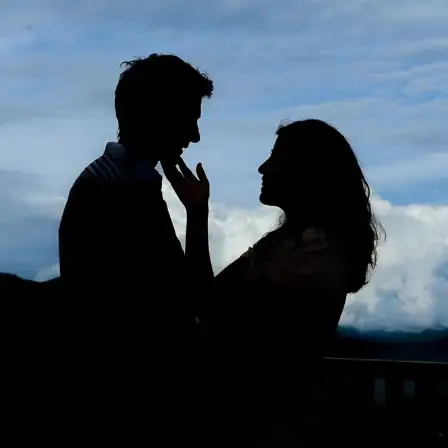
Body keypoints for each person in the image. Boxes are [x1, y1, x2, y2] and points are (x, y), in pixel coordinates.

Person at [165, 119, 384, 446]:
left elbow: (214, 312)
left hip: (264, 426)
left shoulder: (312, 256)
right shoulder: (287, 244)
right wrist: (197, 213)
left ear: (306, 171)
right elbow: (208, 299)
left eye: (276, 157)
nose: (262, 167)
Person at [58, 54, 214, 445]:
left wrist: (196, 214)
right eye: (189, 118)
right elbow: (183, 303)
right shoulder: (114, 191)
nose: (194, 136)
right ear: (158, 114)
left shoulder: (123, 184)